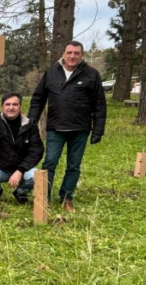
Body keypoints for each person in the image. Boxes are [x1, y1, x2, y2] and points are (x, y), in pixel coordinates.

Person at [28, 41, 106, 212]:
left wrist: (98, 129)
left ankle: (66, 197)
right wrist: (32, 119)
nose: (72, 56)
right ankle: (44, 197)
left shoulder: (91, 74)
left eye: (76, 53)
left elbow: (99, 104)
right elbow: (38, 98)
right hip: (56, 128)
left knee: (73, 165)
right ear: (63, 54)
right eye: (69, 52)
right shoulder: (51, 73)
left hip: (80, 129)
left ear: (82, 55)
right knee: (50, 162)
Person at [0, 92, 43, 204]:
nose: (11, 107)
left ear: (20, 106)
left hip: (22, 168)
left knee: (36, 176)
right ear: (2, 106)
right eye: (7, 104)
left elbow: (36, 151)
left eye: (15, 104)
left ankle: (20, 192)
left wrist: (20, 171)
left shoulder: (30, 125)